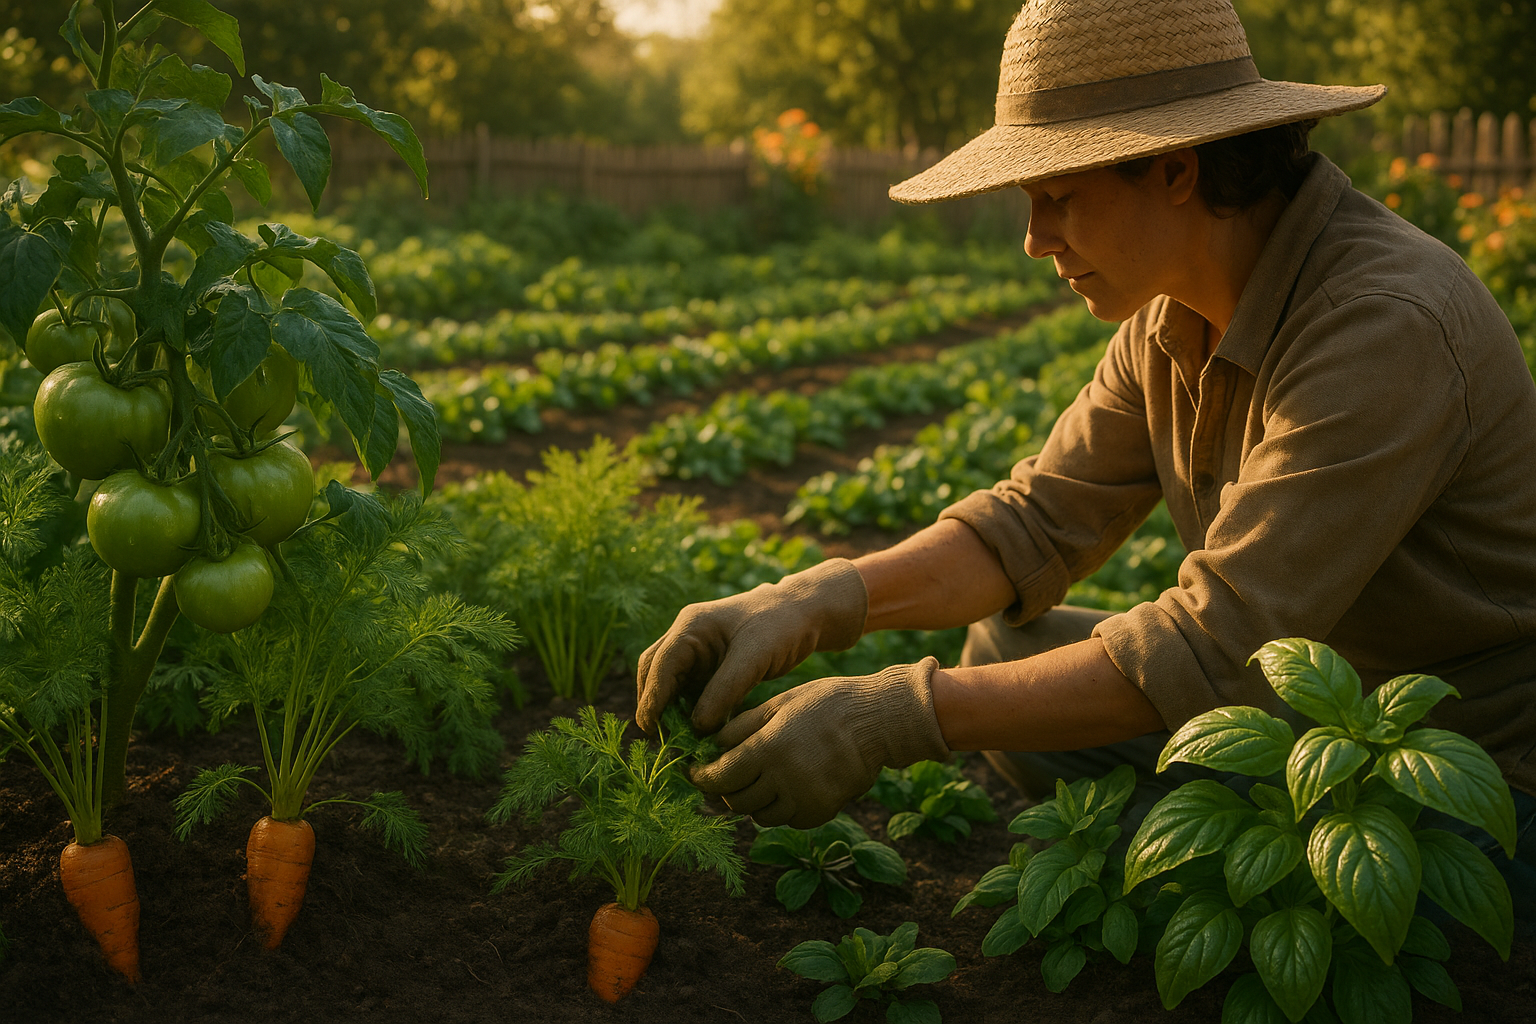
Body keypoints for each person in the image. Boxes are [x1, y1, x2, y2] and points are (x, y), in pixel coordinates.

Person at [635, 0, 1536, 924]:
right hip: (1294, 717)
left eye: (1057, 196)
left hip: (1459, 767)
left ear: (1176, 170)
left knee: (1235, 878)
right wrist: (811, 599)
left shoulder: (1382, 326)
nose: (1034, 238)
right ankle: (1206, 862)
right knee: (1006, 647)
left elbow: (1215, 644)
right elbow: (1034, 522)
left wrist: (897, 717)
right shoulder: (1173, 315)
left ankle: (1230, 884)